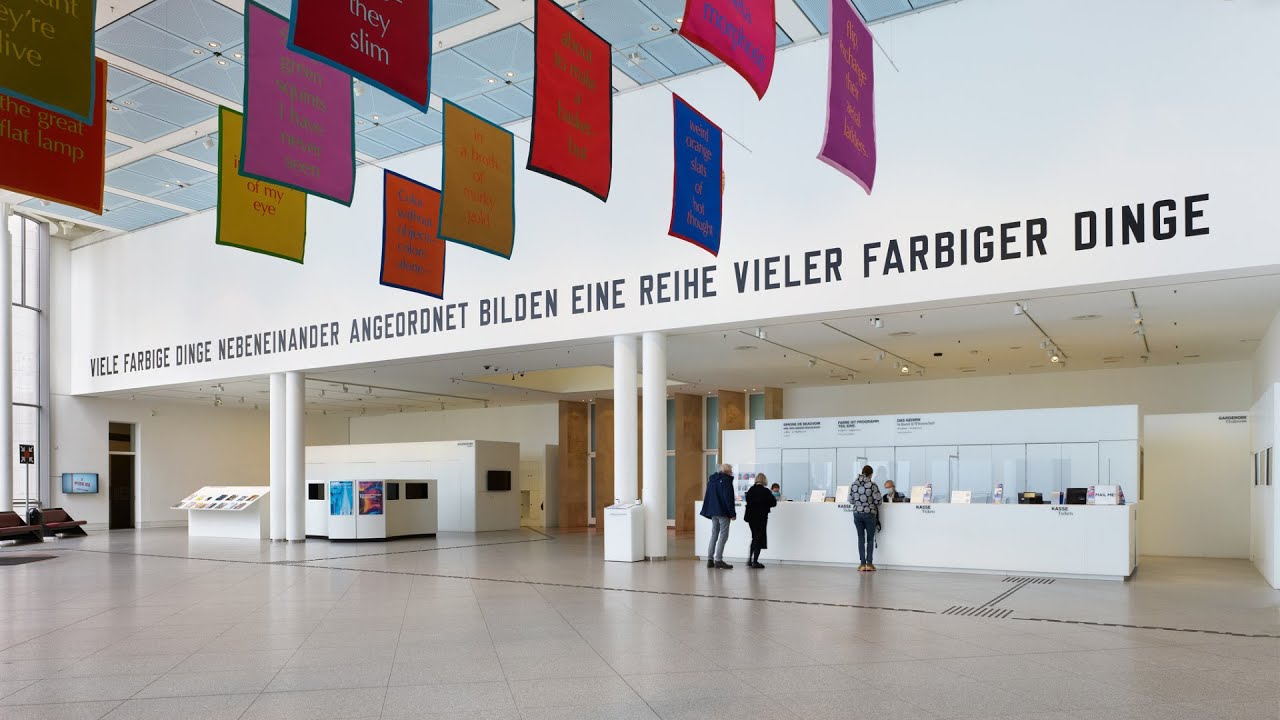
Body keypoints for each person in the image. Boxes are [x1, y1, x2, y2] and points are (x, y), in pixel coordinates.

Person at [700, 463, 736, 569]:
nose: (731, 473)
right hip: (723, 512)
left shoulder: (712, 480)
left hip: (713, 511)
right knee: (723, 536)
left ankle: (710, 560)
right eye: (731, 471)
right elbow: (728, 498)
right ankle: (718, 560)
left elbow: (708, 496)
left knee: (714, 535)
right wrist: (732, 513)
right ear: (727, 471)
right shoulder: (726, 480)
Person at [848, 465, 882, 571]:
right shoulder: (872, 485)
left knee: (860, 538)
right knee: (870, 539)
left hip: (857, 514)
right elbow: (879, 501)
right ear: (871, 474)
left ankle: (862, 564)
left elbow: (850, 500)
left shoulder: (854, 484)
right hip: (869, 514)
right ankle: (869, 564)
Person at [744, 473, 777, 569]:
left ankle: (750, 559)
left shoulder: (751, 490)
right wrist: (765, 504)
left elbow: (748, 500)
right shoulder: (766, 491)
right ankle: (755, 561)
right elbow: (773, 503)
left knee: (754, 537)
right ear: (764, 480)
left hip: (751, 518)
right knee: (759, 538)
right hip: (761, 518)